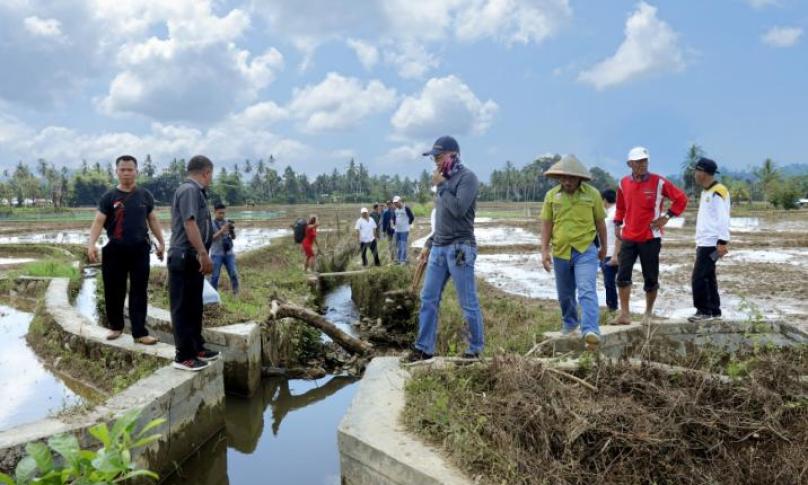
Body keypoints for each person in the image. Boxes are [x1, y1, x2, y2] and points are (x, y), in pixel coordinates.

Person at [406, 136, 484, 361]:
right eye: (434, 158)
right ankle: (423, 348)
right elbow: (441, 219)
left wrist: (441, 186)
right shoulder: (445, 180)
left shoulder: (467, 178)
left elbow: (459, 209)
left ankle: (475, 349)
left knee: (467, 302)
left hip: (460, 247)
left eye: (439, 157)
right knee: (428, 298)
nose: (436, 162)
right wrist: (429, 243)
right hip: (439, 248)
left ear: (453, 155)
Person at [87, 155, 164, 344]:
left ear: (136, 172)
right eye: (123, 169)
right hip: (115, 250)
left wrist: (162, 242)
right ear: (117, 172)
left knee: (139, 291)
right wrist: (91, 244)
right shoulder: (109, 197)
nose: (126, 173)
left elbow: (152, 219)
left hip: (140, 249)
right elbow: (98, 221)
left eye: (130, 169)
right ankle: (116, 327)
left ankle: (140, 333)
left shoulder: (145, 195)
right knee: (114, 290)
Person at [613, 146, 688, 325]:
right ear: (630, 164)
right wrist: (617, 223)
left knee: (651, 277)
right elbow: (621, 206)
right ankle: (624, 314)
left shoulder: (659, 182)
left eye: (644, 161)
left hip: (650, 237)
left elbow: (681, 198)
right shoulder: (623, 183)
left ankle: (648, 314)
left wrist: (667, 216)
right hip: (629, 236)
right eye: (638, 161)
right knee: (622, 276)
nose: (642, 164)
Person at [540, 155, 607, 350]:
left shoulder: (592, 194)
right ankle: (570, 323)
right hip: (561, 251)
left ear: (579, 178)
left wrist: (604, 247)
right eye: (563, 178)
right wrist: (544, 250)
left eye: (571, 178)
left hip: (585, 249)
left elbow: (600, 223)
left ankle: (590, 330)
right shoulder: (552, 196)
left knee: (586, 289)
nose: (567, 181)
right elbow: (547, 224)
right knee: (565, 294)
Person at [168, 155, 220, 371]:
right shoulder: (189, 190)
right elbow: (190, 224)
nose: (210, 179)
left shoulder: (197, 192)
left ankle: (196, 347)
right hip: (185, 256)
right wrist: (202, 253)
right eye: (211, 175)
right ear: (206, 172)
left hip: (192, 257)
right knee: (182, 307)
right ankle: (183, 356)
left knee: (194, 306)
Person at [689, 157, 730, 321]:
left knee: (698, 277)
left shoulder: (718, 191)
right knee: (708, 277)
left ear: (703, 173)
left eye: (696, 171)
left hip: (712, 243)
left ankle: (704, 311)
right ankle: (714, 310)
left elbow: (723, 218)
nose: (695, 174)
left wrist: (722, 242)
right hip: (704, 242)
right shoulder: (707, 191)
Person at [209, 203, 239, 295]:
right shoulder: (210, 224)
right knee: (215, 277)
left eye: (223, 213)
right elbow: (210, 239)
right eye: (220, 213)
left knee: (233, 274)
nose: (222, 215)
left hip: (229, 253)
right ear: (215, 212)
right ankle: (214, 295)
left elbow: (233, 237)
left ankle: (236, 294)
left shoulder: (227, 222)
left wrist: (231, 231)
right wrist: (221, 231)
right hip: (216, 253)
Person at [600, 189, 620, 313]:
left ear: (604, 200)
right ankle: (612, 306)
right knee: (609, 282)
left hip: (612, 254)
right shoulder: (609, 213)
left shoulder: (615, 214)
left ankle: (612, 308)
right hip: (607, 253)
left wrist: (615, 255)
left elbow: (620, 235)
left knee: (609, 282)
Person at [392, 195, 415, 264]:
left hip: (404, 230)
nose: (395, 204)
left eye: (396, 202)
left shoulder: (406, 208)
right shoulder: (395, 209)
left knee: (403, 245)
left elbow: (412, 217)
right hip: (397, 230)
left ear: (400, 201)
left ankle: (403, 260)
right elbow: (394, 217)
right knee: (398, 245)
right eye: (394, 203)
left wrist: (408, 224)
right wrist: (394, 223)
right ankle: (398, 259)